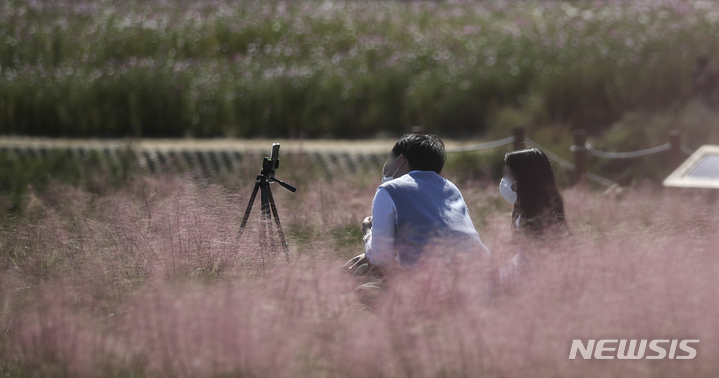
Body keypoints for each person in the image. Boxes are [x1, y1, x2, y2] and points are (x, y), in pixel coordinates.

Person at [344, 134, 491, 277]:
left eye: (390, 158)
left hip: (438, 282)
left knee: (363, 277)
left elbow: (380, 258)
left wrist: (368, 234)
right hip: (483, 273)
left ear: (400, 160)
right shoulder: (451, 188)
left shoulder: (389, 189)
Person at [497, 148, 569, 291]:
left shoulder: (541, 213)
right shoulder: (530, 205)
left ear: (525, 177)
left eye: (509, 176)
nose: (504, 182)